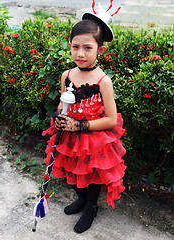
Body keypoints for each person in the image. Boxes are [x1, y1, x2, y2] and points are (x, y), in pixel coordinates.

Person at [42, 4, 126, 234]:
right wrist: (59, 115)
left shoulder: (103, 81)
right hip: (68, 137)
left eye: (87, 48)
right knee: (71, 174)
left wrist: (80, 125)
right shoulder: (67, 75)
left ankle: (91, 206)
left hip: (94, 137)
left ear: (100, 50)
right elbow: (62, 103)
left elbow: (110, 119)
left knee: (93, 176)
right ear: (70, 46)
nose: (80, 53)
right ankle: (80, 198)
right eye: (75, 47)